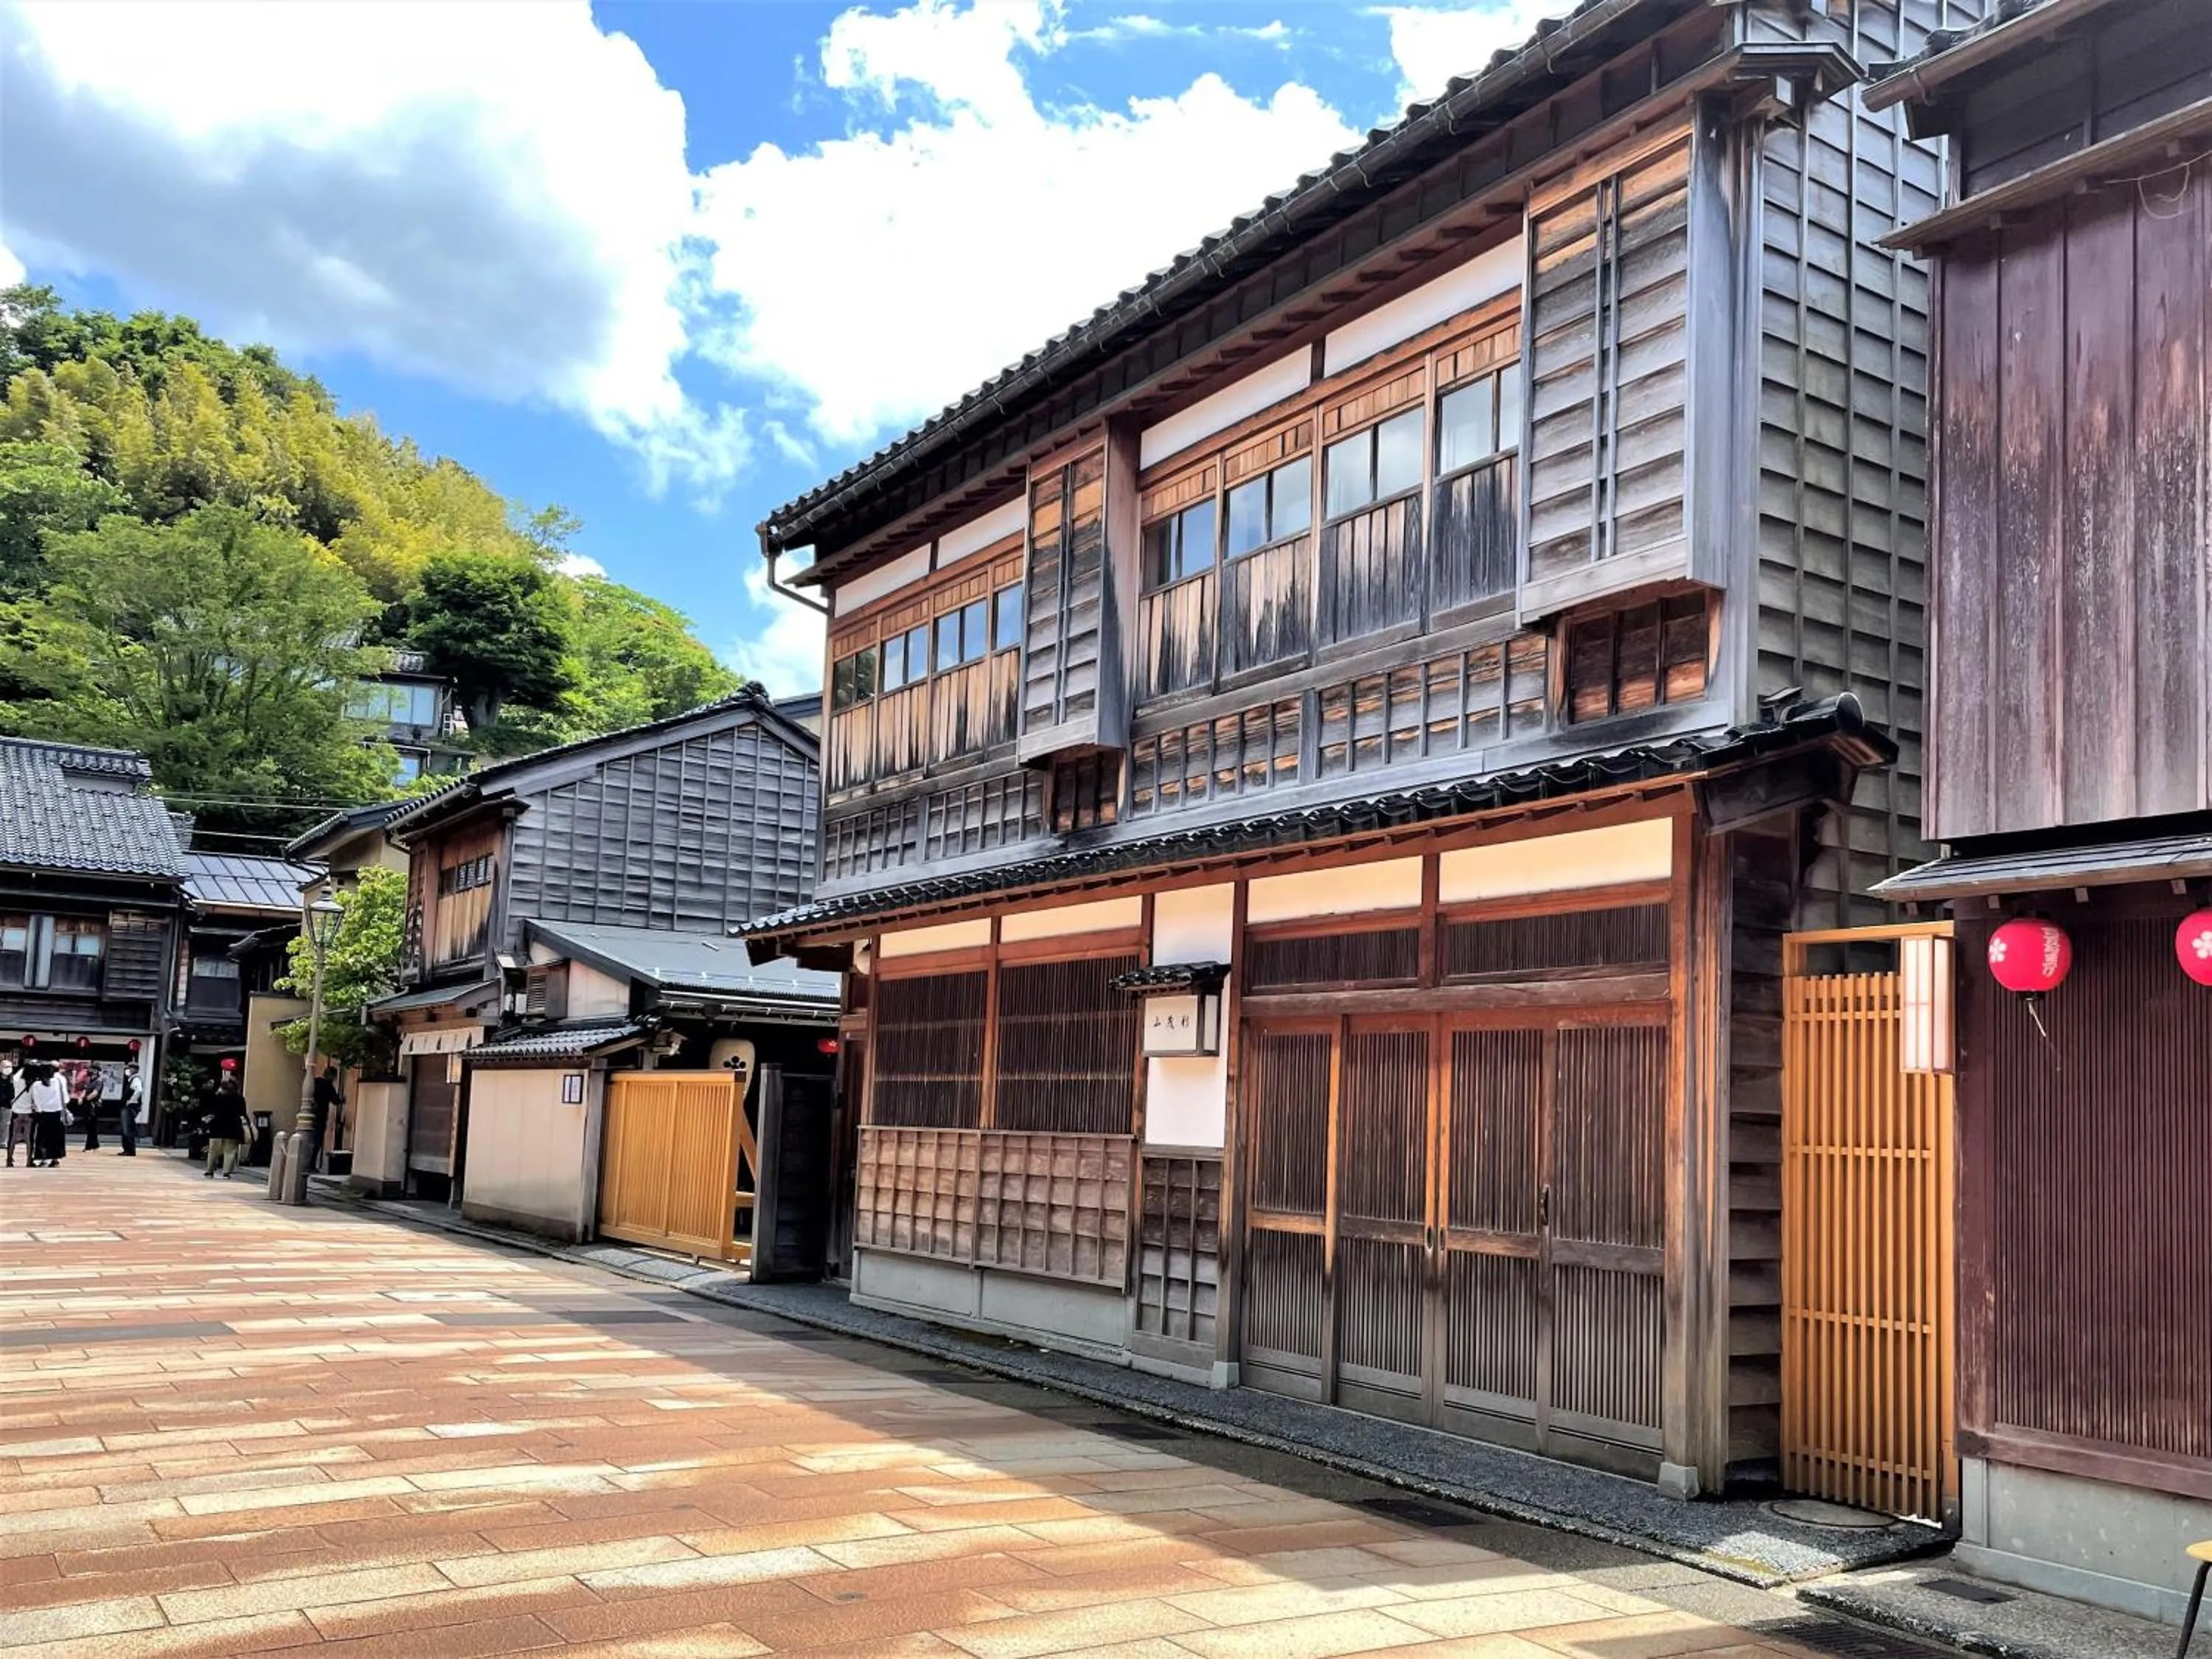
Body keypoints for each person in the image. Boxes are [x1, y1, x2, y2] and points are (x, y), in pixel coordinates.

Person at [203, 1075, 248, 1178]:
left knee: (213, 1150)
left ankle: (210, 1170)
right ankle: (226, 1172)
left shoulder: (217, 1097)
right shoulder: (239, 1098)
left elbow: (210, 1110)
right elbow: (242, 1113)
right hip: (233, 1127)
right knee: (230, 1151)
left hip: (217, 1127)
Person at [27, 1064, 71, 1167]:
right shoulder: (59, 1080)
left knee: (42, 1137)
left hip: (44, 1114)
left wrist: (39, 1110)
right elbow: (65, 1097)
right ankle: (55, 1160)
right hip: (57, 1112)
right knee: (56, 1137)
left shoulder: (36, 1084)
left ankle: (43, 1159)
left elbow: (36, 1100)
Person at [308, 1064, 342, 1174]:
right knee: (317, 1141)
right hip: (321, 1116)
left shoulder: (315, 1082)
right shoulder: (328, 1086)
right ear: (333, 1077)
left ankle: (307, 1163)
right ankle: (311, 1164)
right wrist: (343, 1099)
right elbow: (336, 1101)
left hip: (310, 1114)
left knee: (310, 1139)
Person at [3, 1061, 31, 1168]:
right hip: (29, 1113)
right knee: (29, 1138)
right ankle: (29, 1160)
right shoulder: (33, 1082)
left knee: (13, 1137)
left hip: (17, 1111)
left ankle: (9, 1159)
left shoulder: (15, 1079)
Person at [117, 1064, 142, 1157]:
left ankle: (130, 1150)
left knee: (127, 1128)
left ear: (134, 1070)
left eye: (130, 1068)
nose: (128, 1070)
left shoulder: (136, 1079)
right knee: (126, 1128)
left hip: (129, 1107)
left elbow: (139, 1091)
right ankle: (127, 1149)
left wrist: (131, 1101)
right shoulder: (131, 1079)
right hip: (127, 1107)